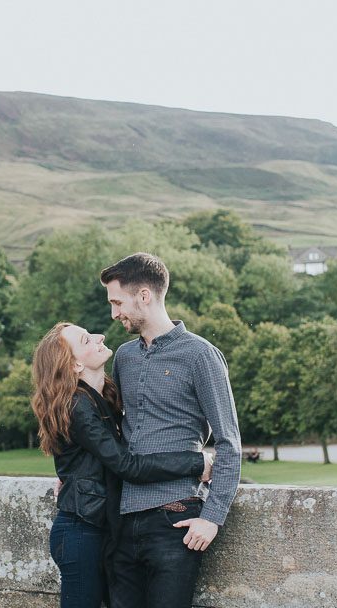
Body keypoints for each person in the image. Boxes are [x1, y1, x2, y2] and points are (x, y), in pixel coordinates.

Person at [32, 321, 214, 608]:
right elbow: (127, 465)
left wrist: (74, 476)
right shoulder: (79, 407)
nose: (99, 336)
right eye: (86, 339)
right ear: (76, 365)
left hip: (97, 529)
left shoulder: (100, 399)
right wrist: (196, 462)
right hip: (81, 532)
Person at [99, 252, 241, 608]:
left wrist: (212, 518)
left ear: (144, 296)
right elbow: (112, 430)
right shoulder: (125, 357)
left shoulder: (200, 355)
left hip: (175, 518)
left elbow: (229, 442)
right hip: (123, 516)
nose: (115, 313)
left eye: (118, 302)